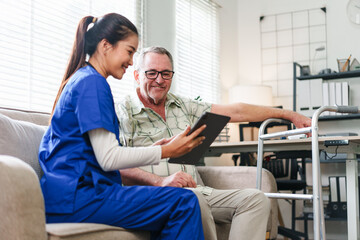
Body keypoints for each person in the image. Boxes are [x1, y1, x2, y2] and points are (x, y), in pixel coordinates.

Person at [116, 46, 312, 240]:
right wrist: (160, 181)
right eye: (151, 73)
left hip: (196, 190)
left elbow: (237, 111)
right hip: (154, 194)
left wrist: (287, 115)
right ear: (136, 75)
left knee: (255, 200)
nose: (159, 80)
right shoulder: (122, 112)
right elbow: (113, 164)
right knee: (194, 201)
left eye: (166, 74)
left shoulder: (182, 105)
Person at [38, 14, 206, 240]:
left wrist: (156, 148)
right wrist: (167, 151)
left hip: (70, 196)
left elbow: (98, 153)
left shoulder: (84, 79)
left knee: (172, 201)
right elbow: (108, 158)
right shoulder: (92, 84)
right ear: (105, 45)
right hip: (78, 198)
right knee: (184, 202)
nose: (130, 61)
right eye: (129, 51)